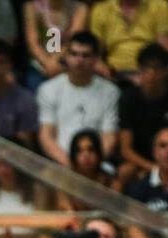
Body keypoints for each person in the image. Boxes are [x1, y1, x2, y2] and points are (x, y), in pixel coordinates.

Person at [36, 31, 121, 166]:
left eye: (85, 55)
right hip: (60, 162)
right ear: (66, 57)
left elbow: (109, 137)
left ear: (95, 59)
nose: (79, 60)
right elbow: (46, 136)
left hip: (98, 164)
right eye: (74, 54)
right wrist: (71, 164)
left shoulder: (111, 92)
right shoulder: (48, 89)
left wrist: (91, 164)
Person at [117, 42, 168, 188]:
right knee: (124, 171)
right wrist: (153, 169)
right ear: (139, 71)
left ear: (166, 71)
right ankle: (123, 208)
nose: (151, 74)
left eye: (156, 69)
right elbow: (126, 149)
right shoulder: (128, 99)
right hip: (142, 162)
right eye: (146, 69)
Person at [89, 0, 168, 78]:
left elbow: (164, 53)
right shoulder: (101, 10)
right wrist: (108, 74)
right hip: (114, 73)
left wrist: (146, 75)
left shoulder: (160, 6)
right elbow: (95, 56)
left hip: (149, 72)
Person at [22, 0, 88, 89]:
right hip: (39, 65)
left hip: (67, 63)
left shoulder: (79, 8)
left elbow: (74, 40)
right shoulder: (32, 7)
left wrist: (54, 61)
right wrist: (48, 63)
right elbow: (33, 43)